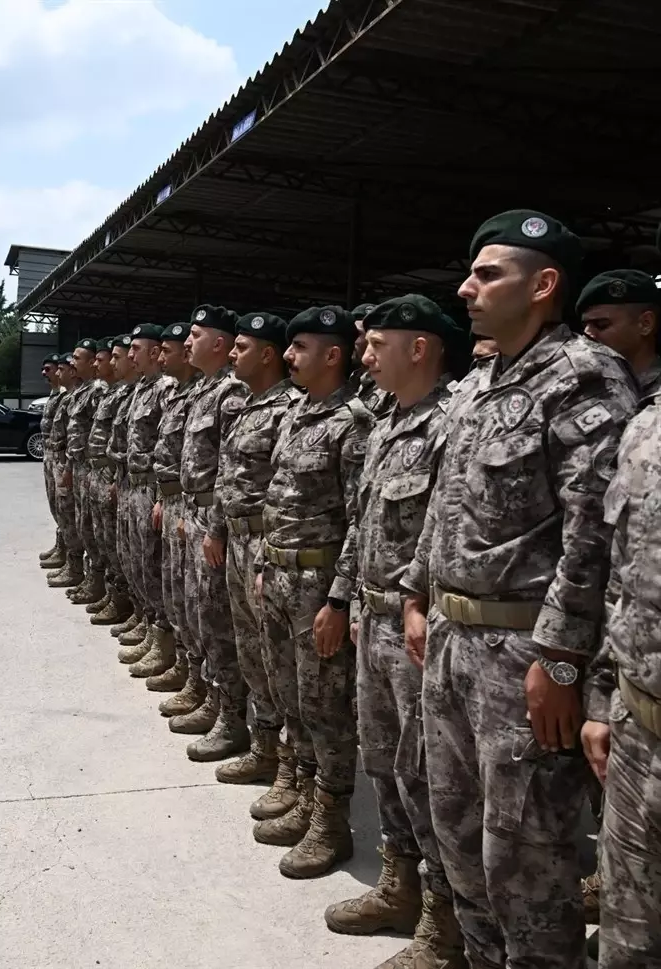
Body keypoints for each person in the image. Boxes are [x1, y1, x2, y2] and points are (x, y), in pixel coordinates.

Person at [401, 210, 637, 969]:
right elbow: (443, 509)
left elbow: (594, 533)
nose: (466, 288)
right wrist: (418, 596)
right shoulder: (478, 386)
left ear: (543, 285)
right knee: (460, 839)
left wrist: (562, 658)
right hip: (452, 643)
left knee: (528, 861)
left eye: (487, 274)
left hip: (520, 658)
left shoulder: (584, 377)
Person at [324, 295, 465, 969]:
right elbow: (362, 525)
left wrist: (416, 603)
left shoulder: (451, 423)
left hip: (418, 629)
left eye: (378, 342)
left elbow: (450, 535)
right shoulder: (386, 425)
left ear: (421, 348)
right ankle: (399, 883)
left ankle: (445, 921)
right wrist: (340, 597)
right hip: (371, 617)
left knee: (425, 773)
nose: (364, 353)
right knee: (384, 763)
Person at [251, 304, 372, 879]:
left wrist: (339, 601)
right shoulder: (298, 413)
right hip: (277, 573)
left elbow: (360, 520)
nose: (289, 356)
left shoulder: (352, 422)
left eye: (299, 347)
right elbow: (275, 497)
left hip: (317, 584)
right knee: (289, 693)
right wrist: (260, 560)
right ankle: (297, 786)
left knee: (325, 707)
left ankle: (330, 821)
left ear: (333, 355)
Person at [582, 395, 661, 969]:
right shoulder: (646, 424)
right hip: (637, 725)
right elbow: (621, 580)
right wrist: (603, 697)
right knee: (626, 943)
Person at [211, 312, 298, 785]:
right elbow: (228, 478)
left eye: (240, 347)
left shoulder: (289, 409)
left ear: (267, 353)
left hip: (267, 548)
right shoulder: (245, 404)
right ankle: (262, 745)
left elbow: (286, 495)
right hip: (237, 539)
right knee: (249, 649)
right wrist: (217, 529)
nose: (231, 354)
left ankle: (289, 761)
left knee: (276, 658)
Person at [169, 305, 251, 763]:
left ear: (218, 343)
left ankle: (232, 717)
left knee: (219, 623)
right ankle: (213, 698)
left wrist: (215, 525)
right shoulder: (204, 389)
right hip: (196, 515)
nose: (186, 344)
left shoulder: (231, 394)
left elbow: (230, 470)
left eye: (195, 335)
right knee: (199, 612)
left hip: (216, 523)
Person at [132, 321, 197, 685]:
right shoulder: (175, 392)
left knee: (193, 601)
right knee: (157, 576)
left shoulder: (174, 390)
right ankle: (162, 641)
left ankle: (197, 678)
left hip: (189, 507)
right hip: (162, 495)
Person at [120, 325, 169, 654]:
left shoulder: (165, 389)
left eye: (136, 348)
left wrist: (163, 496)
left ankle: (163, 637)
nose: (129, 354)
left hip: (152, 489)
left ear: (154, 352)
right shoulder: (140, 388)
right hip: (133, 483)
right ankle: (147, 620)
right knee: (136, 560)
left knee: (153, 564)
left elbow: (170, 448)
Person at [85, 339, 133, 626]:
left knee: (138, 559)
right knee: (103, 539)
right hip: (108, 474)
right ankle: (119, 597)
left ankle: (138, 612)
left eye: (115, 357)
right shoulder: (117, 393)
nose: (104, 364)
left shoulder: (157, 392)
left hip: (132, 481)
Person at [96, 335, 138, 627]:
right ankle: (135, 609)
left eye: (115, 356)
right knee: (116, 547)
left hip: (146, 486)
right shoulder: (123, 394)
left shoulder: (159, 391)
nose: (110, 363)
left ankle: (155, 625)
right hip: (118, 478)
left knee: (146, 562)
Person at [63, 339, 105, 607]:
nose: (72, 363)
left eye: (78, 358)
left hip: (94, 470)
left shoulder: (97, 392)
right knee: (83, 525)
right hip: (79, 467)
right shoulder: (81, 391)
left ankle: (101, 585)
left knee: (97, 531)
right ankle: (90, 577)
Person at [578, 268, 661, 397]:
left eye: (601, 325)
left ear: (646, 324)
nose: (587, 334)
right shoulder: (582, 386)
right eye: (584, 326)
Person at [45, 355, 83, 589]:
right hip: (55, 456)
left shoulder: (78, 396)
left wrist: (68, 465)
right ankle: (66, 552)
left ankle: (76, 564)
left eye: (60, 368)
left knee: (70, 512)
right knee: (60, 509)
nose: (55, 373)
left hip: (69, 461)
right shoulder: (63, 396)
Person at [38, 355, 66, 569]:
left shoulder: (66, 396)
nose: (44, 373)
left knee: (64, 507)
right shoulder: (54, 395)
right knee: (55, 505)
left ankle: (67, 552)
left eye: (48, 369)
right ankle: (61, 545)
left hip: (61, 457)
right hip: (49, 456)